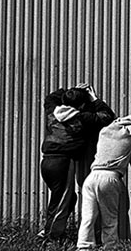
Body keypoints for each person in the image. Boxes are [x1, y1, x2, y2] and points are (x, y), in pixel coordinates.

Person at [40, 85, 116, 241]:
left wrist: (71, 91)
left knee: (67, 200)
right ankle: (49, 239)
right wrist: (93, 98)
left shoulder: (52, 110)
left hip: (47, 161)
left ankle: (54, 234)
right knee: (60, 203)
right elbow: (107, 116)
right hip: (63, 163)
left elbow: (51, 97)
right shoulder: (82, 117)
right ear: (81, 105)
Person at [76, 115, 131, 251]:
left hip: (91, 177)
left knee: (88, 216)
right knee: (109, 218)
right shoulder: (126, 134)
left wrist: (117, 121)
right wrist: (128, 120)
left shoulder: (103, 132)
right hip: (109, 177)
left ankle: (83, 249)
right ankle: (110, 249)